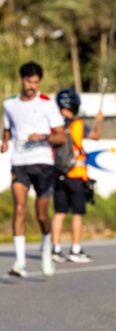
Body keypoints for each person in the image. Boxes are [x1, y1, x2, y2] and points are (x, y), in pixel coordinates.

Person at [1, 61, 66, 278]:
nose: (32, 86)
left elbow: (61, 136)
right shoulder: (9, 104)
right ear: (22, 80)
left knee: (41, 214)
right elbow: (8, 128)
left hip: (43, 163)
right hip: (19, 162)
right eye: (29, 82)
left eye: (36, 83)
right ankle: (20, 262)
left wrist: (43, 137)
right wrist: (5, 141)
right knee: (19, 208)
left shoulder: (47, 104)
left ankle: (46, 250)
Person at [51, 88, 103, 264]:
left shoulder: (53, 124)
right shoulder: (78, 124)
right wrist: (98, 122)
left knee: (59, 212)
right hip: (76, 174)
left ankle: (55, 250)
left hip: (58, 173)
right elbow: (96, 136)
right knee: (77, 213)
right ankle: (75, 249)